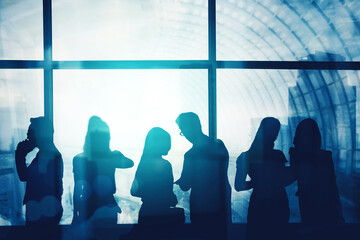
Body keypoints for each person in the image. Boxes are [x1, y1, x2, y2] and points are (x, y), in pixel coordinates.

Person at [234, 117, 294, 239]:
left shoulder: (246, 157)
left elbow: (239, 186)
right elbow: (286, 179)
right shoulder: (278, 156)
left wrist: (256, 182)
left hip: (258, 204)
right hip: (279, 203)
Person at [175, 112, 231, 237]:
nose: (184, 135)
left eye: (182, 130)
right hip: (220, 204)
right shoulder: (219, 145)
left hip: (200, 207)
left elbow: (185, 185)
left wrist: (181, 180)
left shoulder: (190, 155)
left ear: (190, 128)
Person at [72, 116, 134, 226]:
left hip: (88, 208)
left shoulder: (79, 159)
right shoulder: (111, 157)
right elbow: (129, 163)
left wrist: (75, 215)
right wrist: (114, 153)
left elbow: (77, 190)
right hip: (107, 207)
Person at [290, 118, 344, 225]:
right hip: (325, 199)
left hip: (307, 199)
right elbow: (332, 184)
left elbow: (294, 175)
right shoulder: (325, 156)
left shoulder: (297, 155)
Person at [130, 127, 184, 226]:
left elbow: (134, 191)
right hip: (162, 214)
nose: (169, 147)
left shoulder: (143, 164)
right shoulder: (166, 165)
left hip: (146, 213)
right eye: (167, 143)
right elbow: (170, 196)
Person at [15, 117, 63, 225]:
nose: (27, 135)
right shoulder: (47, 154)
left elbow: (24, 176)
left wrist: (20, 154)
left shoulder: (47, 156)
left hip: (42, 215)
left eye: (31, 132)